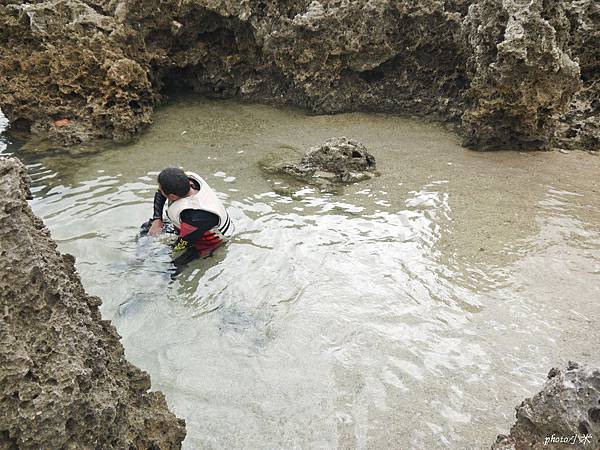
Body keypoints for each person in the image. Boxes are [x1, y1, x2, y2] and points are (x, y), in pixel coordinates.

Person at [143, 167, 234, 268]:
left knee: (171, 268)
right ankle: (138, 256)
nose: (159, 190)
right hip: (191, 229)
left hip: (207, 241)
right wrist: (157, 219)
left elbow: (182, 244)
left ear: (172, 197)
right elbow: (161, 192)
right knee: (147, 227)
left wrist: (163, 247)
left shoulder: (195, 215)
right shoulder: (188, 180)